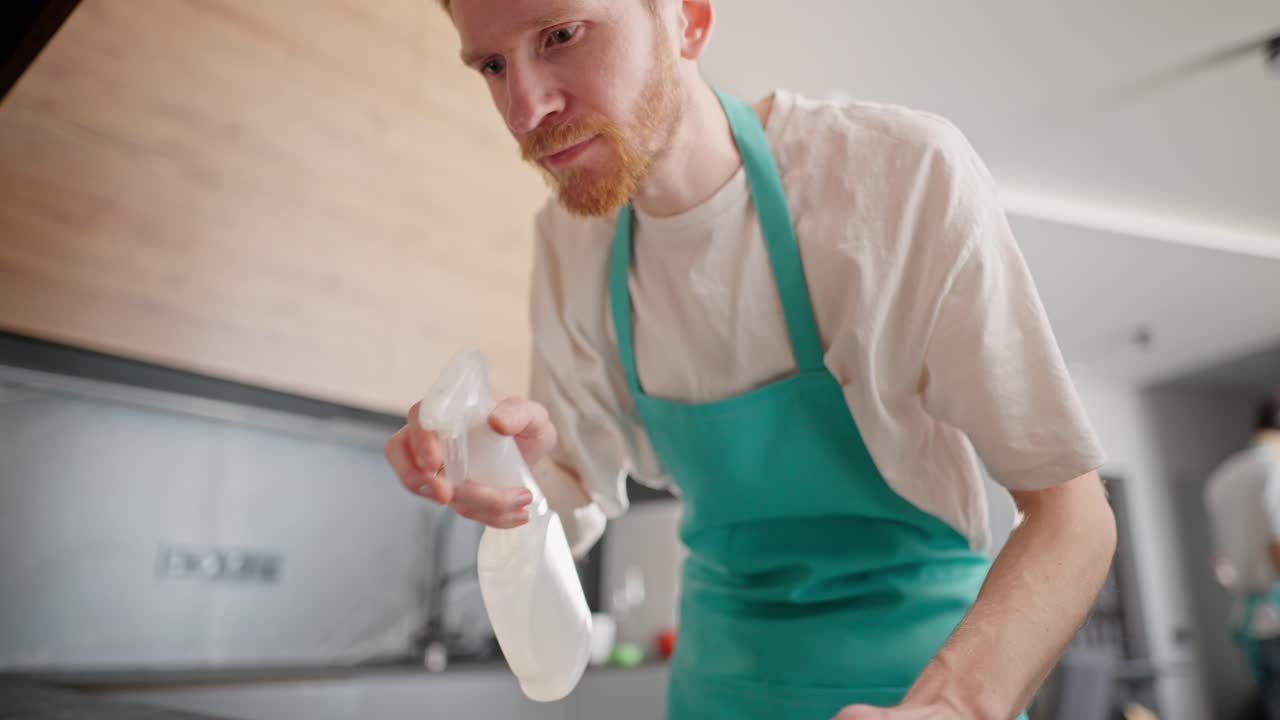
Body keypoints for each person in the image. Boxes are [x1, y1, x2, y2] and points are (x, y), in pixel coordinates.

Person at [383, 1, 1118, 718]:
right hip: (721, 683)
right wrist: (512, 474)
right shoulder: (570, 243)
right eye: (491, 64)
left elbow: (1072, 513)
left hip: (926, 676)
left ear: (689, 20)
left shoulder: (899, 177)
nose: (523, 112)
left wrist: (954, 704)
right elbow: (574, 483)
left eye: (562, 34)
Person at [1205, 391, 1280, 719]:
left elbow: (1220, 562)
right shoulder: (1274, 469)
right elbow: (1276, 543)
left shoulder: (1222, 478)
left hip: (1250, 623)